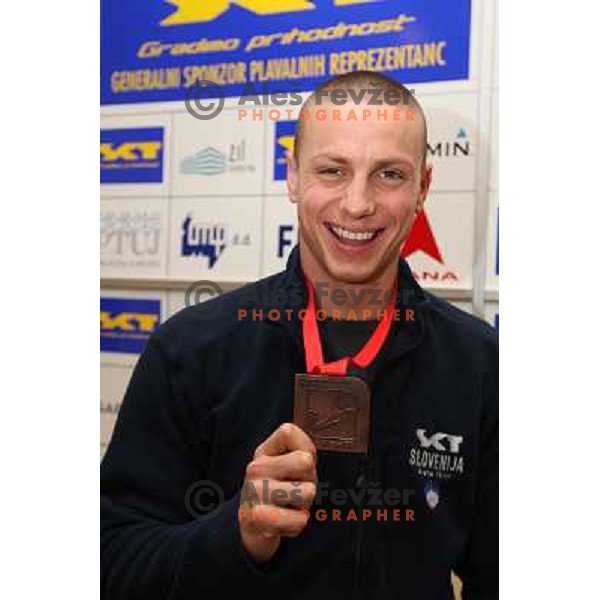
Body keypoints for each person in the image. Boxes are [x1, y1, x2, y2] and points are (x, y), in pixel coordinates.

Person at [101, 70, 498, 599]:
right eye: (333, 171)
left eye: (389, 175)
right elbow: (111, 562)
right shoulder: (192, 349)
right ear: (292, 175)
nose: (357, 204)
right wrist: (236, 534)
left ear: (422, 188)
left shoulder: (480, 364)